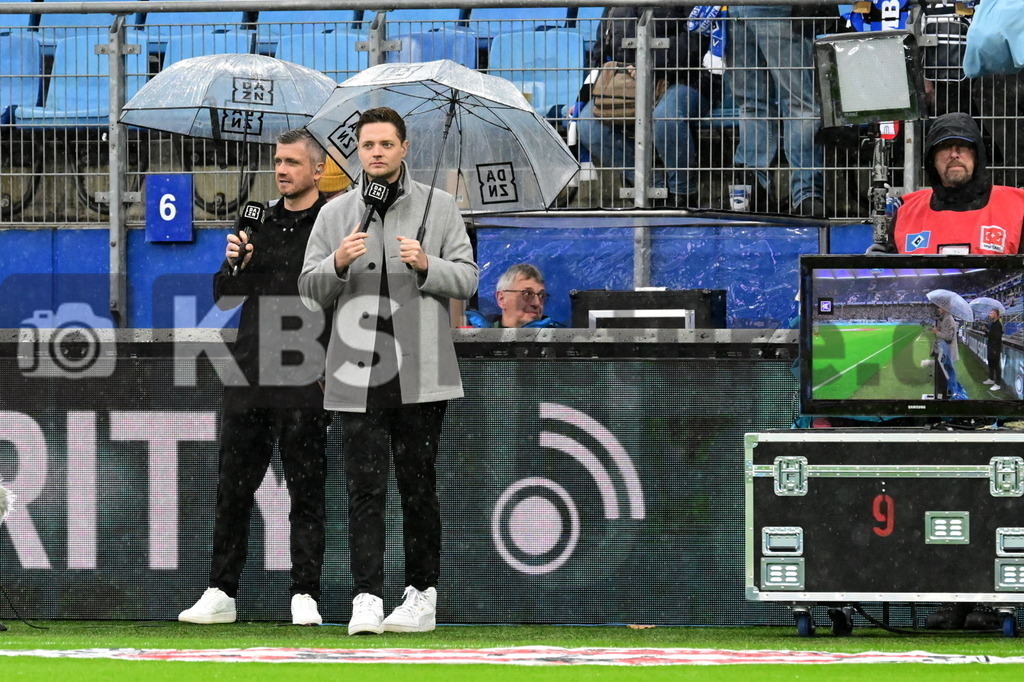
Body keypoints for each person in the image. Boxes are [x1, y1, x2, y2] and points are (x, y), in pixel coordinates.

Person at [298, 107, 478, 635]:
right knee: (364, 490)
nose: (375, 153)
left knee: (418, 487)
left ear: (403, 150)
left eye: (385, 144)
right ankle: (366, 598)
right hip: (357, 369)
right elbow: (308, 291)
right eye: (367, 145)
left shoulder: (440, 207)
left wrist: (428, 265)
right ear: (358, 151)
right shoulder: (335, 213)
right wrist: (335, 264)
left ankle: (422, 596)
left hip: (420, 367)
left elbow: (467, 280)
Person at [179, 129, 331, 627]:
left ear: (317, 168)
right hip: (248, 372)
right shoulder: (256, 220)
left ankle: (304, 593)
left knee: (305, 490)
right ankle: (221, 590)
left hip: (307, 374)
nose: (281, 170)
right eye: (277, 161)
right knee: (233, 488)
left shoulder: (333, 222)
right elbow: (223, 295)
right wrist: (235, 262)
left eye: (291, 161)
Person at [575, 6, 714, 208]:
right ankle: (650, 184)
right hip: (626, 84)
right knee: (588, 124)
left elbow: (697, 41)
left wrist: (648, 62)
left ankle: (681, 193)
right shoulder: (614, 5)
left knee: (667, 117)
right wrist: (583, 96)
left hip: (685, 78)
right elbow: (599, 53)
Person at [873, 112, 1024, 254]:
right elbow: (897, 280)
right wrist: (881, 266)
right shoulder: (906, 212)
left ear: (977, 154)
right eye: (945, 146)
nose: (954, 154)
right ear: (932, 159)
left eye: (962, 146)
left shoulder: (1018, 206)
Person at [726, 5, 826, 216]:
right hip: (734, 9)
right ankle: (756, 189)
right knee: (755, 105)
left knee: (795, 104)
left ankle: (805, 193)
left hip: (773, 7)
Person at [464, 263, 566, 328]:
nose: (537, 303)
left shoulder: (560, 341)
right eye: (527, 294)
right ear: (501, 299)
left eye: (541, 295)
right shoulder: (476, 340)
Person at [984, 307, 1003, 391]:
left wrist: (987, 331)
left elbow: (996, 337)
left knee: (996, 366)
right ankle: (991, 379)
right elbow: (990, 336)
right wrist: (985, 330)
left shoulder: (998, 325)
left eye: (991, 313)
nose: (989, 315)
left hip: (995, 348)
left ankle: (997, 384)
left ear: (995, 314)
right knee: (991, 364)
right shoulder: (992, 324)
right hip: (991, 347)